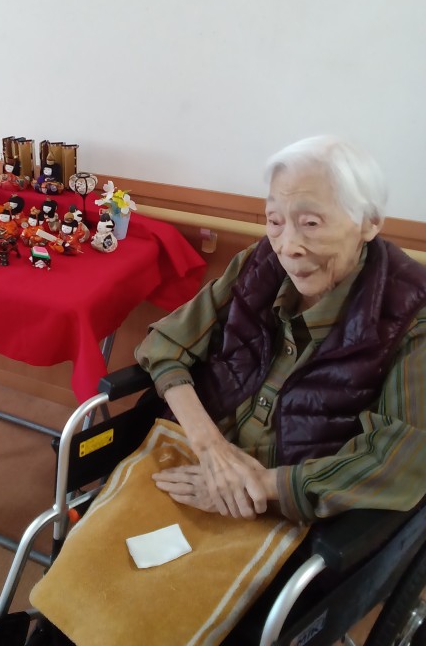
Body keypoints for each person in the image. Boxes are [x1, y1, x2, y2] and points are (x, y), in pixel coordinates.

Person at [28, 135, 426, 644]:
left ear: (369, 222)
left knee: (165, 619)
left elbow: (399, 457)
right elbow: (166, 344)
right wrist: (211, 448)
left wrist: (261, 487)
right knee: (81, 585)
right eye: (275, 220)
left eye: (311, 223)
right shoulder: (258, 265)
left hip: (295, 505)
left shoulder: (411, 313)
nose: (288, 246)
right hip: (193, 459)